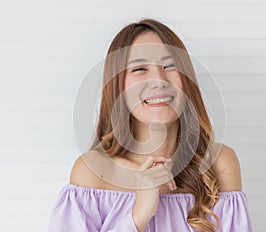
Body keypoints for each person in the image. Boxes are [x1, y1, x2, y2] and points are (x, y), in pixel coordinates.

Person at [48, 18, 253, 232]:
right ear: (118, 86)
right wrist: (139, 216)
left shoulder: (219, 164)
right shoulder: (91, 172)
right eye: (139, 69)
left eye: (170, 65)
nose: (159, 80)